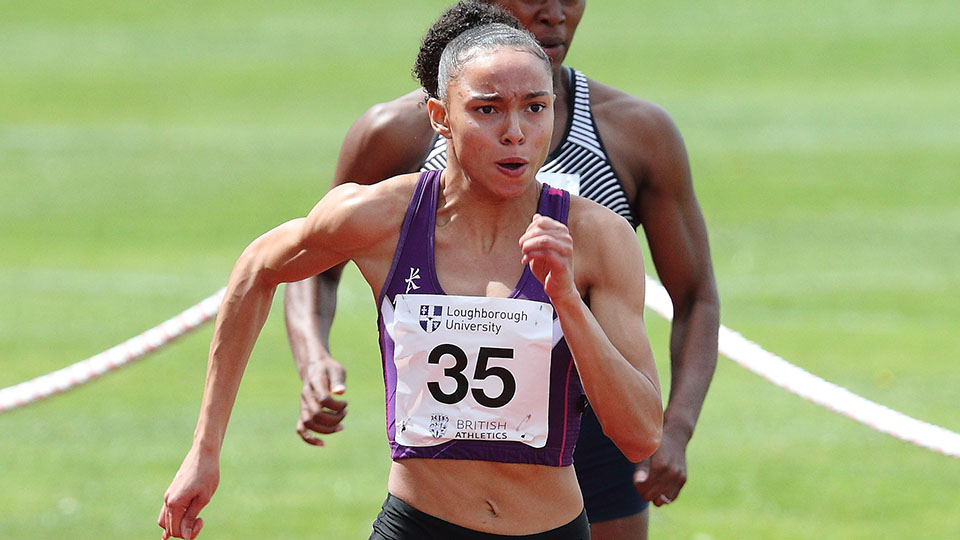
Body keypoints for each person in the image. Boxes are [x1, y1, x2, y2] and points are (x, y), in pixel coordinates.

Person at [158, 17, 663, 540]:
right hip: (418, 525)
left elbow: (641, 434)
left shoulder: (598, 238)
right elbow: (257, 268)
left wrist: (566, 302)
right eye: (487, 109)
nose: (515, 131)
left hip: (549, 529)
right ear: (440, 116)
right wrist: (205, 450)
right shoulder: (380, 218)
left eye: (535, 107)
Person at [285, 2, 720, 539]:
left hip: (599, 433)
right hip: (457, 450)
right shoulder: (398, 133)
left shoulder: (633, 133)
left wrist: (675, 428)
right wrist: (313, 358)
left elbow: (696, 294)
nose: (555, 12)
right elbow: (312, 258)